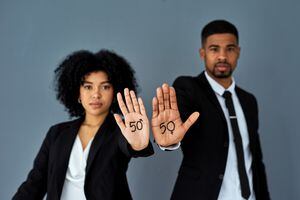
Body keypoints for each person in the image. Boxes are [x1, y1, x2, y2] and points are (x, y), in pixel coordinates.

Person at [151, 20, 270, 199]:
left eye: (229, 49)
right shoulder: (189, 88)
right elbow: (178, 123)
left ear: (238, 52)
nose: (222, 56)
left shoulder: (248, 101)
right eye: (214, 49)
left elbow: (255, 160)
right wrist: (169, 141)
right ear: (203, 53)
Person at [13, 49, 153, 200]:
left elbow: (132, 144)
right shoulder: (57, 133)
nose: (96, 94)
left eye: (105, 87)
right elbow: (35, 183)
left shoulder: (121, 130)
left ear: (115, 92)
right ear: (77, 92)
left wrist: (138, 145)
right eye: (88, 86)